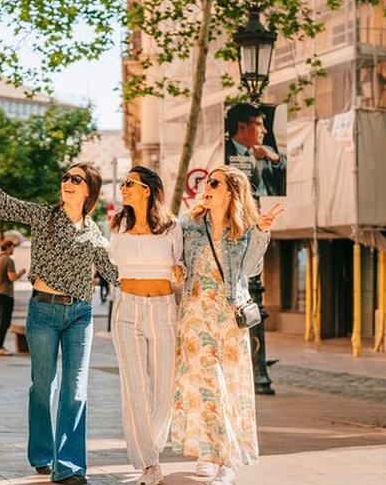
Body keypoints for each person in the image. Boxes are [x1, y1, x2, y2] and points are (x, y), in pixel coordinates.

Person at [0, 146, 118, 485]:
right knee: (43, 386)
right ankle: (41, 452)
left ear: (89, 190)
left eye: (76, 179)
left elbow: (115, 273)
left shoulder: (95, 233)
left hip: (80, 314)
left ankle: (67, 465)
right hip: (43, 312)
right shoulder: (44, 216)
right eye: (66, 177)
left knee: (76, 389)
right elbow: (4, 204)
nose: (67, 181)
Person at [170, 165, 284, 485]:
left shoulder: (244, 228)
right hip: (195, 316)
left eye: (215, 183)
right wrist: (177, 269)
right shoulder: (190, 224)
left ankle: (227, 460)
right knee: (205, 387)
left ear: (231, 192)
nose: (207, 187)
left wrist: (261, 232)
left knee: (227, 387)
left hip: (229, 317)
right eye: (207, 182)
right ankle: (209, 453)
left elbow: (249, 270)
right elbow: (178, 258)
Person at [107, 166, 184, 485]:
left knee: (165, 389)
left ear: (147, 189)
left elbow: (179, 265)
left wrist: (179, 271)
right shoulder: (117, 224)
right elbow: (111, 265)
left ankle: (151, 446)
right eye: (123, 183)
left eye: (129, 183)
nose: (122, 187)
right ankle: (149, 462)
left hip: (164, 309)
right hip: (127, 308)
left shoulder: (171, 226)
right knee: (135, 388)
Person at [224, 102, 285, 197]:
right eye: (259, 124)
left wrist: (276, 159)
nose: (264, 131)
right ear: (242, 127)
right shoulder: (223, 154)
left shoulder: (268, 151)